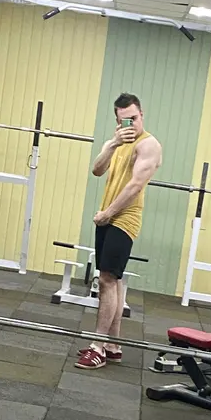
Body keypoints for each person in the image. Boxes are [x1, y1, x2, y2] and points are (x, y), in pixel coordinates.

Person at [75, 93, 162, 370]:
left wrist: (108, 213)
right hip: (107, 216)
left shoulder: (149, 145)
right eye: (125, 120)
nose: (131, 124)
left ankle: (98, 346)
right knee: (113, 279)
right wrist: (113, 143)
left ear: (142, 114)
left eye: (134, 118)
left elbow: (135, 185)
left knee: (106, 280)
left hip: (124, 217)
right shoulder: (116, 142)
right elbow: (97, 170)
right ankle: (113, 346)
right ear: (117, 120)